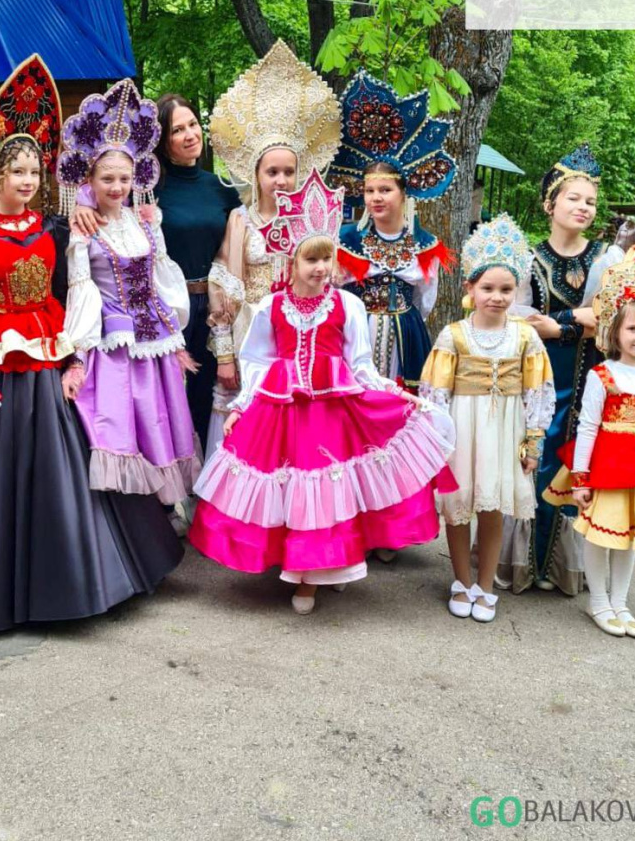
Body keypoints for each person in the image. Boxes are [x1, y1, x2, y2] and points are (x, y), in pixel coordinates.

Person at [0, 55, 181, 630]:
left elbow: (79, 286)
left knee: (73, 458)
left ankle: (88, 570)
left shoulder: (58, 226)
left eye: (33, 172)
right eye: (15, 172)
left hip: (51, 353)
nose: (26, 182)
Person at [188, 170, 456, 614]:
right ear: (292, 263)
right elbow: (257, 360)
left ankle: (321, 571)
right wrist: (241, 405)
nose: (320, 268)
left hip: (332, 412)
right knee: (294, 491)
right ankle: (301, 568)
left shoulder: (348, 305)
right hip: (284, 410)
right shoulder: (273, 306)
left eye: (327, 259)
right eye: (310, 260)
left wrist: (395, 394)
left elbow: (360, 363)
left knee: (327, 491)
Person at [69, 94, 241, 456]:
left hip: (212, 305)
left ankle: (210, 479)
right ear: (163, 141)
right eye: (178, 129)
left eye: (193, 124)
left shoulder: (219, 188)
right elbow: (107, 194)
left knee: (212, 392)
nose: (190, 134)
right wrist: (81, 206)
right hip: (164, 308)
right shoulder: (149, 193)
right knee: (169, 399)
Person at [57, 78, 200, 510]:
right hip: (115, 349)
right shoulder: (83, 231)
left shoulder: (145, 222)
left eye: (123, 177)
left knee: (160, 426)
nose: (117, 187)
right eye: (107, 179)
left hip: (156, 345)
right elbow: (82, 293)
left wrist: (174, 332)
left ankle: (164, 517)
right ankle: (130, 525)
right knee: (123, 428)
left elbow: (161, 280)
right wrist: (78, 356)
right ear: (91, 181)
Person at [204, 40, 342, 455]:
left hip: (303, 338)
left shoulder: (312, 222)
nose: (280, 180)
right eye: (272, 172)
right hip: (254, 336)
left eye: (288, 171)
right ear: (256, 173)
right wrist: (226, 356)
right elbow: (225, 289)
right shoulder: (240, 221)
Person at [500, 145, 624, 594]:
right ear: (551, 204)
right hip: (538, 375)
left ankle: (565, 565)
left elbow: (609, 318)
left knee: (578, 457)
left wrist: (561, 322)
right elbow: (520, 319)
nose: (583, 208)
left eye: (590, 201)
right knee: (537, 452)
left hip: (589, 375)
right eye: (573, 198)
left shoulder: (606, 259)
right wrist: (575, 319)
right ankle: (525, 562)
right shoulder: (528, 260)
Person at [420, 215, 555, 623]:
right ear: (471, 289)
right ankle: (460, 580)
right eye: (488, 288)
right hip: (463, 427)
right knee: (459, 505)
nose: (496, 297)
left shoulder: (526, 337)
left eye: (506, 289)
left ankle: (484, 582)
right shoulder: (454, 335)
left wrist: (533, 441)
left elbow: (539, 390)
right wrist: (437, 442)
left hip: (505, 430)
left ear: (516, 291)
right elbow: (435, 392)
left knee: (493, 506)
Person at [543, 246, 635, 638]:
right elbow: (587, 426)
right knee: (601, 535)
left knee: (632, 538)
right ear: (614, 331)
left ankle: (621, 601)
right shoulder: (603, 375)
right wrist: (581, 478)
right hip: (608, 467)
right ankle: (598, 601)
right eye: (632, 328)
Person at [329, 69, 456, 394]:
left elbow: (424, 301)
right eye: (370, 191)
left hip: (406, 337)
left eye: (384, 190)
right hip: (354, 336)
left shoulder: (425, 245)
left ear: (403, 193)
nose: (375, 198)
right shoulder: (346, 240)